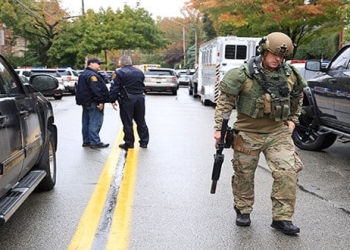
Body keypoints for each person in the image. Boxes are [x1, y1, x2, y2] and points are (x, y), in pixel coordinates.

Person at [213, 32, 307, 235]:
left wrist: (292, 120)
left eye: (282, 56)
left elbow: (298, 97)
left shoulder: (290, 74)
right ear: (264, 51)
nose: (277, 59)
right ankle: (243, 210)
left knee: (287, 171)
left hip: (277, 133)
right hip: (247, 133)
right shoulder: (242, 74)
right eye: (274, 54)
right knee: (244, 173)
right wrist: (219, 130)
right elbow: (225, 102)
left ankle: (282, 217)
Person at [109, 55, 149, 150]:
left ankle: (129, 142)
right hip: (140, 98)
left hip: (127, 99)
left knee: (127, 122)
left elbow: (115, 88)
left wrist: (112, 99)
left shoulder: (119, 73)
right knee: (141, 121)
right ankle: (144, 142)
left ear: (121, 63)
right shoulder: (139, 72)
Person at [76, 57, 110, 149]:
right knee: (95, 121)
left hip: (86, 102)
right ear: (91, 64)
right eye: (98, 63)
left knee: (86, 122)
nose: (100, 65)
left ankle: (87, 141)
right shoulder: (92, 76)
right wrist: (100, 101)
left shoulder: (84, 74)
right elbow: (96, 89)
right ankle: (95, 142)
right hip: (93, 102)